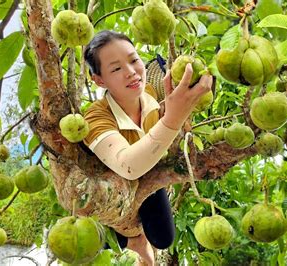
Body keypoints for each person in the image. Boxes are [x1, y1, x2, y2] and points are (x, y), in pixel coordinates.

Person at [82, 30, 213, 265]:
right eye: (116, 69)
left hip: (148, 172)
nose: (131, 72)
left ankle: (139, 238)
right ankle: (132, 241)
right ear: (99, 80)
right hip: (111, 183)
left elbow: (171, 106)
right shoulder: (94, 116)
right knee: (96, 241)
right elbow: (127, 165)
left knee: (163, 239)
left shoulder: (150, 93)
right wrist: (173, 119)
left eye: (133, 60)